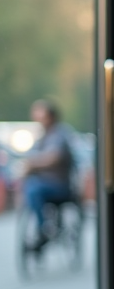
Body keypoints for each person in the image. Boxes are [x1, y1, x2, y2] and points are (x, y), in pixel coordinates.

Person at [20, 99, 76, 251]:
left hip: (60, 185)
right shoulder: (42, 136)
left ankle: (43, 227)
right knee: (30, 186)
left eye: (41, 116)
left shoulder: (60, 134)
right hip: (44, 184)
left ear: (51, 116)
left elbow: (53, 157)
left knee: (33, 189)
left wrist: (32, 164)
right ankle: (44, 224)